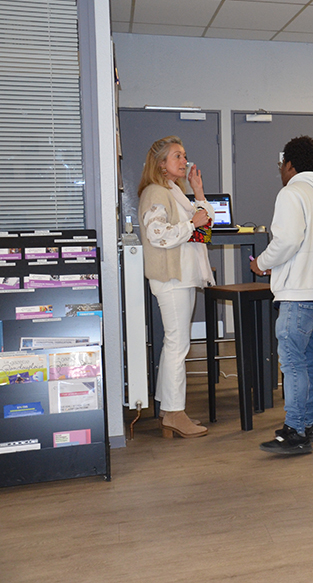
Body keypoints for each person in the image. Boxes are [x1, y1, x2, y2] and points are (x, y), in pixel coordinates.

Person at [250, 136, 313, 456]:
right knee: (310, 361)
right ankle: (310, 424)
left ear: (290, 165)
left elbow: (286, 242)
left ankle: (295, 430)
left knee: (293, 362)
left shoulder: (292, 192)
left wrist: (261, 263)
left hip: (298, 292)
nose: (280, 172)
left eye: (280, 166)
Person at [137, 135, 215, 439]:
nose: (185, 161)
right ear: (161, 164)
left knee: (176, 343)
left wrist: (199, 193)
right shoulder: (156, 192)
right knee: (178, 344)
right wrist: (192, 224)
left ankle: (169, 409)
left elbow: (203, 232)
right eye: (177, 157)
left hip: (181, 277)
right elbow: (158, 234)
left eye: (184, 155)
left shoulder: (175, 192)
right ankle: (173, 413)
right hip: (171, 278)